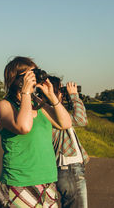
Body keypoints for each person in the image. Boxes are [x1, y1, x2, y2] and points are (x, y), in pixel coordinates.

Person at [0, 56, 72, 208]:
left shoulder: (38, 104)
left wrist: (51, 95)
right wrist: (25, 93)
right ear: (15, 79)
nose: (34, 78)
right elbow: (24, 127)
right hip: (18, 182)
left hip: (48, 180)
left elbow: (65, 123)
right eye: (29, 74)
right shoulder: (4, 105)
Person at [49, 75, 89, 208]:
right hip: (70, 169)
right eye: (61, 89)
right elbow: (81, 119)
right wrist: (74, 96)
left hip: (65, 169)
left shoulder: (47, 111)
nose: (63, 92)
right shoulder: (53, 113)